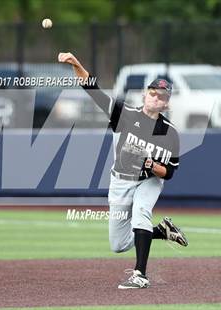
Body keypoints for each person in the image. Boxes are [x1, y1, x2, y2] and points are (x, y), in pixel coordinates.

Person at [58, 52, 189, 289]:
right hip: (120, 181)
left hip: (149, 181)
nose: (156, 97)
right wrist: (77, 64)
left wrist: (152, 166)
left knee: (141, 211)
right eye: (153, 92)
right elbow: (93, 90)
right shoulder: (125, 114)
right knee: (118, 244)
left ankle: (140, 274)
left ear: (167, 103)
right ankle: (162, 231)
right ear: (145, 94)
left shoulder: (170, 133)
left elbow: (169, 172)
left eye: (162, 96)